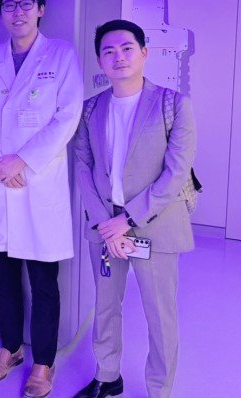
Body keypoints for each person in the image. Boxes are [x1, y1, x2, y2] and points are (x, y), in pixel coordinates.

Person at [0, 0, 83, 397]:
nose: (18, 12)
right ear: (2, 13)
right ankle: (10, 348)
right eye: (9, 5)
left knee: (44, 281)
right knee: (3, 276)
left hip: (37, 181)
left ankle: (43, 363)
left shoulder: (61, 55)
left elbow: (67, 115)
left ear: (41, 10)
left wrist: (22, 161)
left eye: (26, 3)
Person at [72, 20, 196, 398]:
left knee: (160, 315)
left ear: (144, 52)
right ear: (100, 61)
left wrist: (126, 220)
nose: (119, 57)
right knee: (105, 307)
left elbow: (176, 172)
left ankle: (159, 389)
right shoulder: (90, 109)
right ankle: (108, 375)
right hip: (105, 228)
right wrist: (105, 223)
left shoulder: (173, 104)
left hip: (154, 226)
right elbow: (82, 166)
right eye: (108, 51)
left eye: (127, 48)